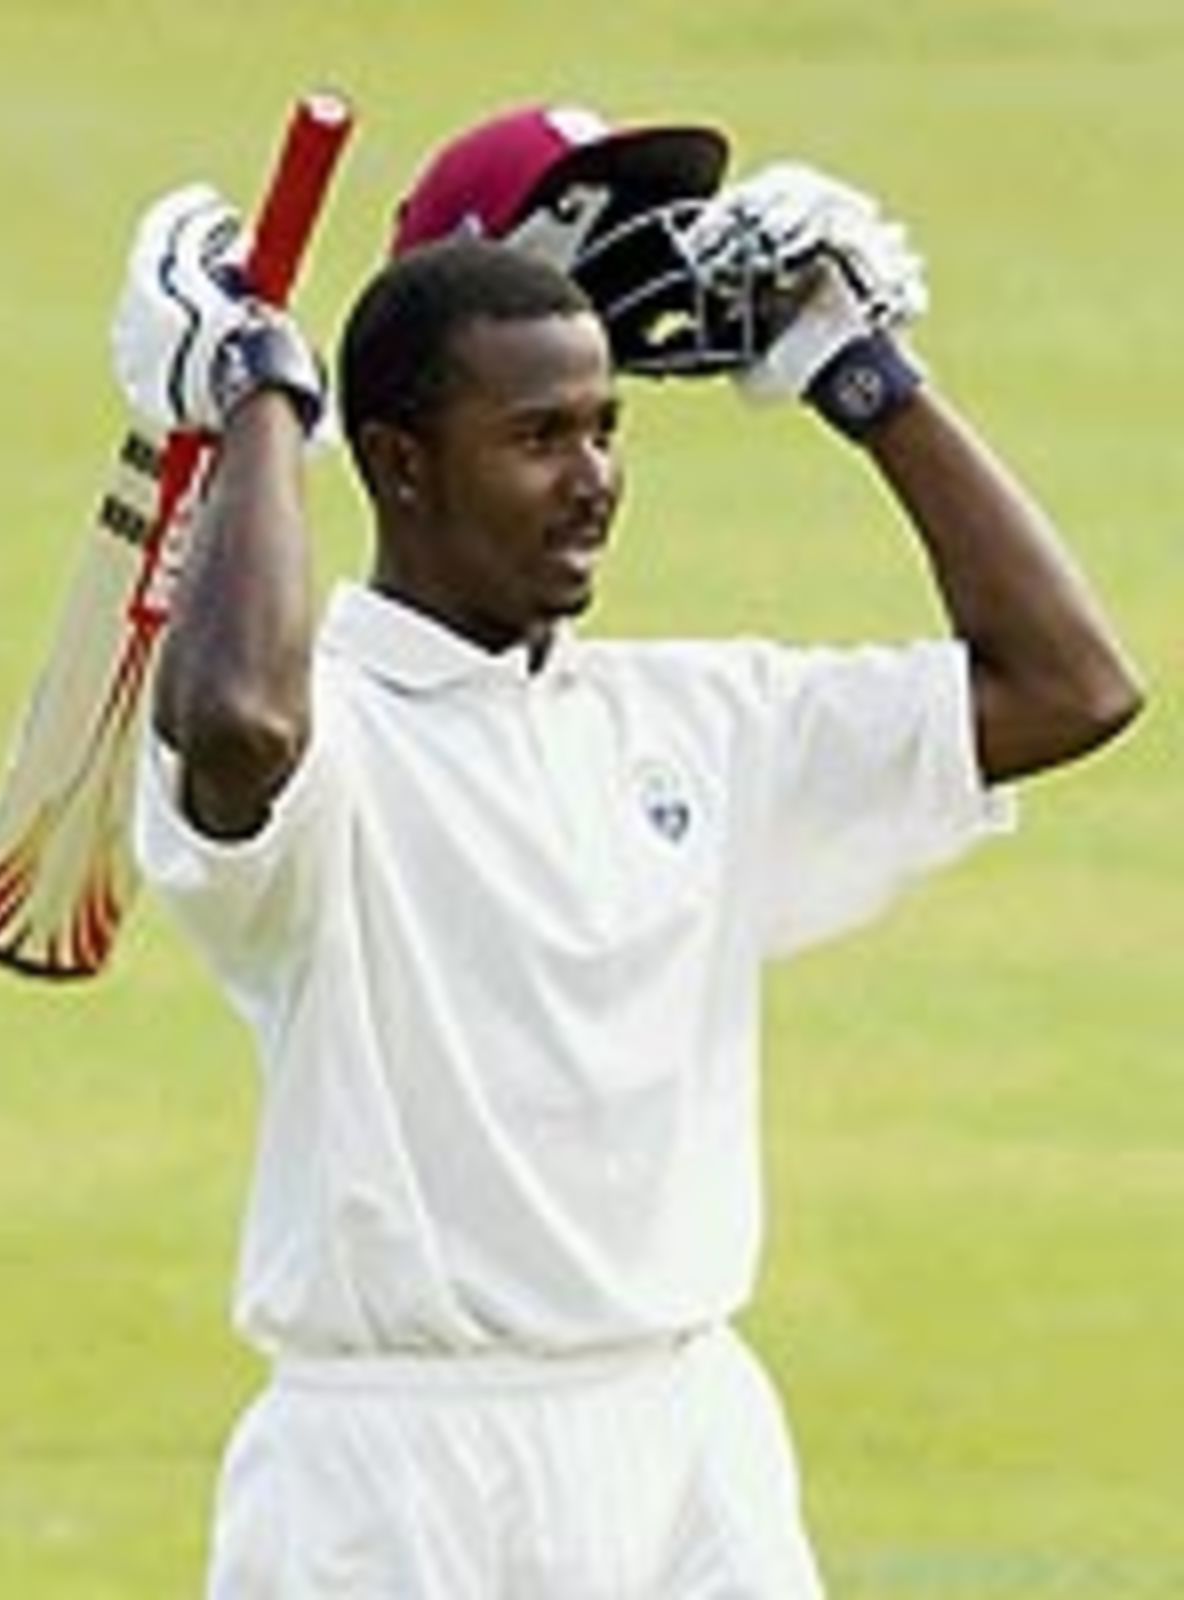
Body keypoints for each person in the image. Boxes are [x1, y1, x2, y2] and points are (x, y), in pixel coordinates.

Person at [111, 147, 1141, 1596]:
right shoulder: (320, 736)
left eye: (607, 431)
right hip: (390, 1481)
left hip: (686, 1440)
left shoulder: (701, 723)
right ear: (399, 465)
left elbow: (1072, 684)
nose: (595, 481)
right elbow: (237, 719)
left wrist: (861, 376)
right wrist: (259, 402)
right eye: (541, 439)